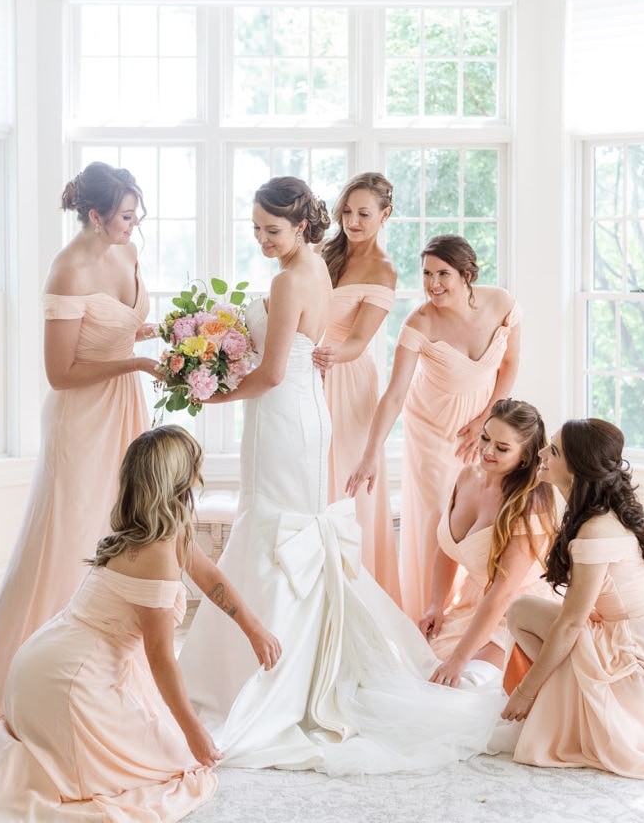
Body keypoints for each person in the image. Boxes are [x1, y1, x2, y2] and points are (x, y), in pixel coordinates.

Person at [179, 177, 504, 775]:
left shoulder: (291, 276)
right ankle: (284, 658)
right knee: (279, 523)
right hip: (305, 413)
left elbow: (274, 372)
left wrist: (207, 394)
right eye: (254, 229)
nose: (260, 240)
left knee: (276, 526)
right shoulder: (318, 268)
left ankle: (280, 670)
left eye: (270, 230)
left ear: (301, 226)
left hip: (284, 414)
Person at [0, 424, 282, 821]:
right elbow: (161, 656)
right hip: (67, 685)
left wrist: (254, 629)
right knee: (180, 765)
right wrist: (193, 730)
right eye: (195, 469)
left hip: (35, 669)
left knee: (167, 743)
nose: (200, 477)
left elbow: (210, 577)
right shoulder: (158, 553)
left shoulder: (152, 530)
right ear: (179, 481)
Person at [0, 162, 160, 721]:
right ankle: (38, 673)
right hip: (81, 415)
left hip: (124, 405)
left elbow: (121, 325)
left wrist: (159, 334)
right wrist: (133, 359)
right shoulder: (66, 271)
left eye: (137, 215)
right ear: (95, 215)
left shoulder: (128, 253)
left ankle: (108, 667)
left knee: (119, 526)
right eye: (126, 216)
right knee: (73, 532)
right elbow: (61, 372)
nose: (134, 226)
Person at [348, 234, 521, 622]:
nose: (433, 283)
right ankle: (428, 613)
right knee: (437, 518)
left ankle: (470, 611)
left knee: (483, 508)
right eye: (426, 273)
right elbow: (393, 395)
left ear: (467, 275)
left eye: (443, 274)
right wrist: (370, 454)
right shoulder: (420, 322)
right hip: (431, 429)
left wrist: (485, 424)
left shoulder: (502, 303)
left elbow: (509, 365)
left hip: (482, 426)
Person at [501, 419, 644, 779]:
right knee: (533, 613)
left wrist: (524, 692)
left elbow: (571, 622)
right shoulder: (596, 516)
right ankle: (562, 702)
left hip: (637, 676)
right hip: (642, 655)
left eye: (555, 450)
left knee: (521, 610)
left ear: (577, 468)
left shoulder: (596, 529)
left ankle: (555, 704)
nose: (543, 454)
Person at [418, 399, 556, 690]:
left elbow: (503, 593)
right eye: (485, 438)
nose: (487, 451)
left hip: (517, 612)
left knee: (466, 686)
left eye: (502, 448)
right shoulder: (467, 475)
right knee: (416, 669)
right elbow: (447, 548)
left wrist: (459, 657)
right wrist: (436, 605)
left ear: (524, 456)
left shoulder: (529, 502)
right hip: (472, 603)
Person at [313, 172, 400, 603]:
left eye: (364, 213)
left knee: (344, 487)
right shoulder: (326, 254)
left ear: (385, 215)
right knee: (310, 481)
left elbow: (357, 342)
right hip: (313, 367)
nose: (353, 221)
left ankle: (358, 597)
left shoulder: (384, 271)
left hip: (347, 380)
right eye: (346, 211)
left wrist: (323, 357)